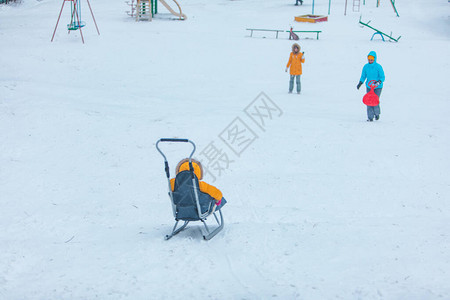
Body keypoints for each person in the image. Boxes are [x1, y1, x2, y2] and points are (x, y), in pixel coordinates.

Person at [357, 51, 385, 121]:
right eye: (369, 59)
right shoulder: (366, 67)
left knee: (375, 100)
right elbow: (363, 76)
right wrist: (360, 82)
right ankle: (370, 117)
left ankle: (377, 113)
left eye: (371, 59)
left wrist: (378, 82)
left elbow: (382, 77)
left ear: (375, 59)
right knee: (369, 101)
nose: (370, 61)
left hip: (377, 87)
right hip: (369, 87)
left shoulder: (378, 67)